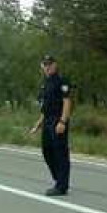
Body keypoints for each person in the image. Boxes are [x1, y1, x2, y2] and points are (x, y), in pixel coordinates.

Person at [29, 55, 73, 196]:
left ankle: (61, 186)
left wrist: (62, 121)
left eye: (49, 64)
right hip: (47, 120)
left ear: (55, 65)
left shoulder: (61, 81)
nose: (47, 67)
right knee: (47, 151)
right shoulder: (45, 84)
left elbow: (67, 102)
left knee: (60, 153)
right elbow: (45, 107)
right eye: (45, 65)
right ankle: (58, 178)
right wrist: (38, 123)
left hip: (58, 120)